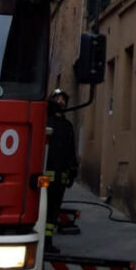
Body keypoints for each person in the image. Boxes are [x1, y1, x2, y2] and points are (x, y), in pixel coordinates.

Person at [44, 88, 77, 252]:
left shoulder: (67, 126)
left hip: (61, 177)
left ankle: (48, 241)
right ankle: (42, 240)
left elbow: (71, 149)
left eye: (63, 99)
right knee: (43, 208)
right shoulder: (45, 122)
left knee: (54, 210)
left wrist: (73, 170)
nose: (61, 102)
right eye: (58, 99)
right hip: (45, 177)